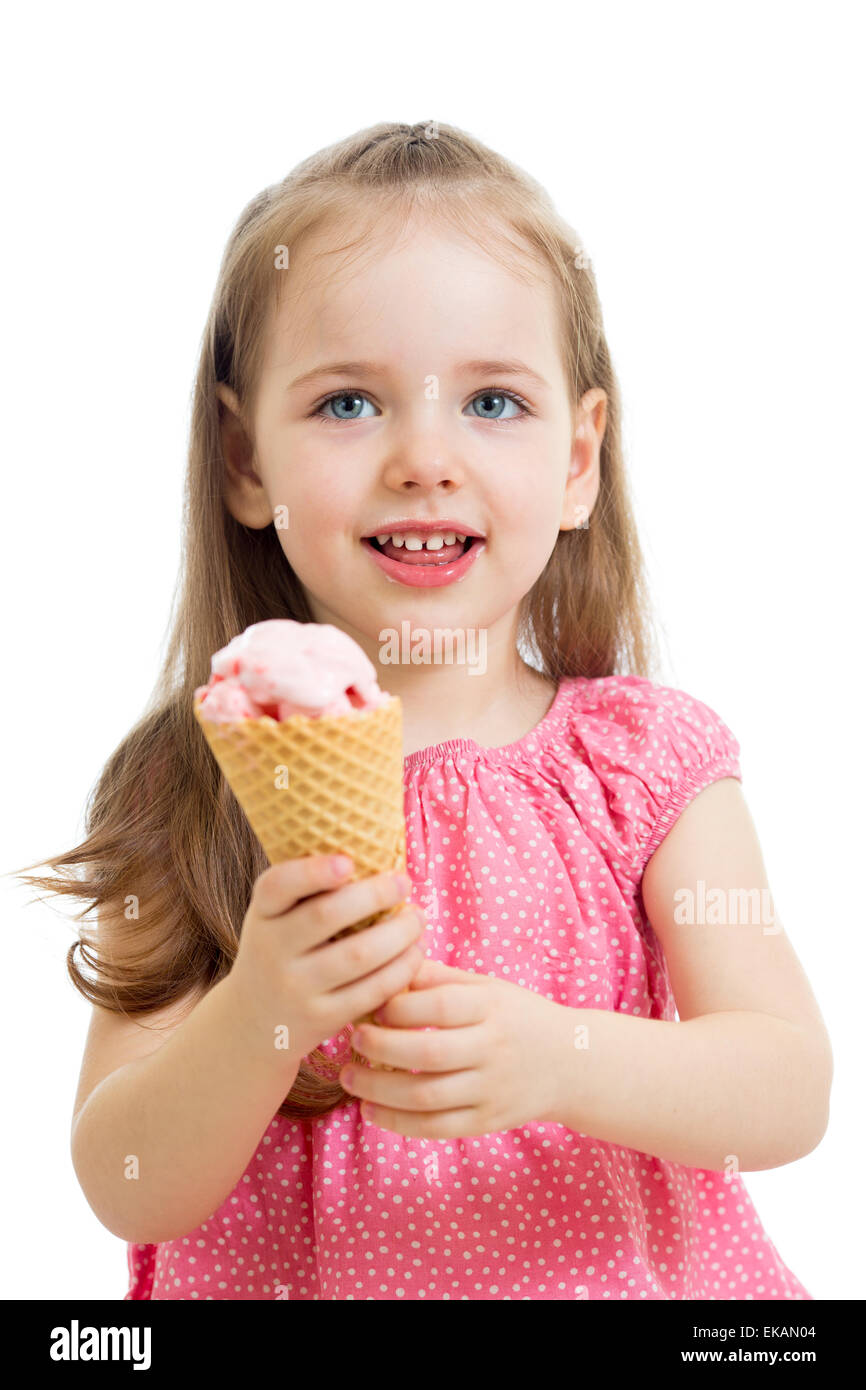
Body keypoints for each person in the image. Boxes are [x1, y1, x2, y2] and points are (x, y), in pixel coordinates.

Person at [15, 120, 832, 1300]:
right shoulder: (191, 778)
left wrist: (565, 1059)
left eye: (493, 403)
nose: (424, 457)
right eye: (349, 404)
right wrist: (262, 1013)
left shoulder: (646, 766)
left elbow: (784, 1087)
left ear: (577, 458)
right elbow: (123, 1176)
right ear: (245, 459)